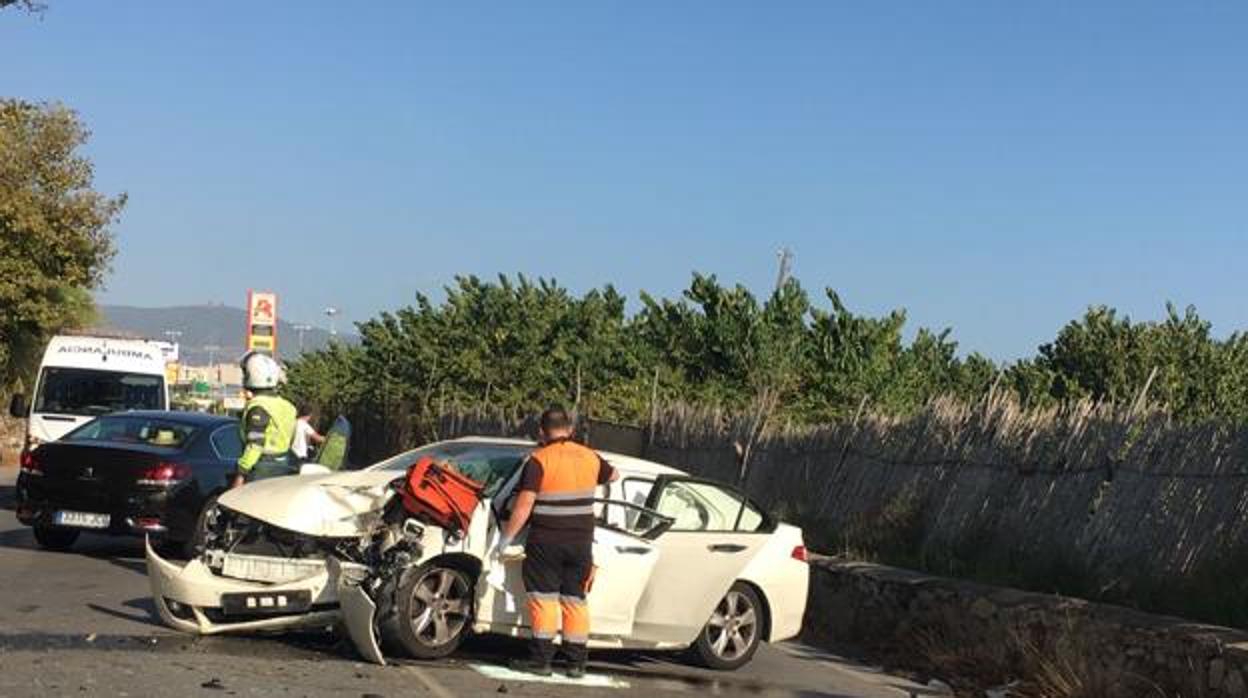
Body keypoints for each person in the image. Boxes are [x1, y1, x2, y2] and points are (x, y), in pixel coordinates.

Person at [498, 406, 618, 678]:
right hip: (581, 543)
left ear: (541, 432)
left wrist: (506, 539)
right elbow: (614, 475)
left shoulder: (539, 459)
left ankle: (541, 660)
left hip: (546, 540)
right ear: (571, 430)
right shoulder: (590, 457)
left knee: (544, 599)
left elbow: (525, 502)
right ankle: (576, 663)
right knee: (575, 599)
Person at [230, 352, 298, 489]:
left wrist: (241, 474)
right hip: (283, 464)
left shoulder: (258, 407)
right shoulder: (288, 406)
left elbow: (255, 445)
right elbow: (292, 437)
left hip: (261, 468)